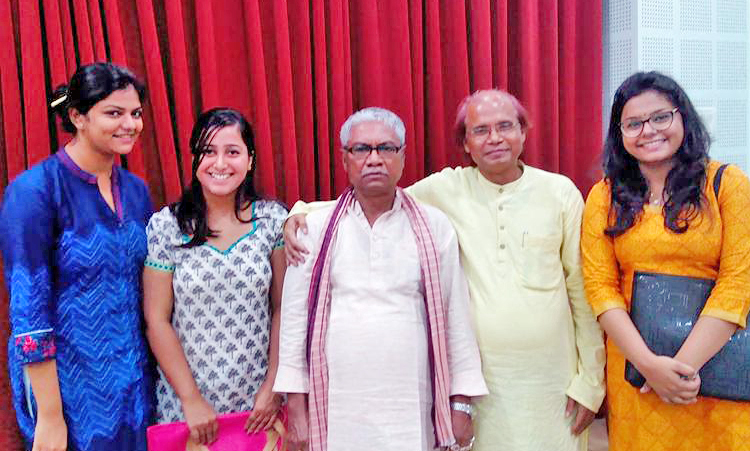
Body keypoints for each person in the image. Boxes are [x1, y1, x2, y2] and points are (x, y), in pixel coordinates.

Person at [284, 91, 606, 451]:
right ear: (466, 143)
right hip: (484, 388)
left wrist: (590, 383)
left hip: (551, 381)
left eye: (505, 126)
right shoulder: (446, 189)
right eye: (480, 130)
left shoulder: (560, 193)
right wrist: (300, 212)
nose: (495, 138)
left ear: (523, 132)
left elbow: (584, 292)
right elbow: (377, 191)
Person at [273, 107, 488, 451]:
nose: (374, 159)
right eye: (361, 149)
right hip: (337, 409)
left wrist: (461, 406)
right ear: (345, 160)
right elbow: (294, 323)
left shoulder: (434, 226)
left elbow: (456, 318)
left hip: (412, 408)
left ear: (402, 158)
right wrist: (296, 409)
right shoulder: (313, 229)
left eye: (386, 148)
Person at [581, 71, 750, 450]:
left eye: (660, 117)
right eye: (634, 124)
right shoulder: (604, 197)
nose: (649, 131)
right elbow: (600, 288)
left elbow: (738, 282)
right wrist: (650, 367)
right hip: (637, 373)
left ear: (682, 117)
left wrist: (680, 370)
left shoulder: (727, 183)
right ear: (620, 134)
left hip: (717, 366)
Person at [0, 62, 153, 451]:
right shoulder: (34, 192)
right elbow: (28, 315)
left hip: (135, 385)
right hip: (67, 392)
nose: (130, 125)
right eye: (114, 113)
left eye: (135, 113)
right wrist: (51, 415)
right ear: (77, 117)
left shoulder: (137, 192)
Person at [142, 108, 287, 445]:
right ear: (195, 159)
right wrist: (191, 399)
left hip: (258, 406)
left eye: (232, 152)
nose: (219, 163)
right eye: (208, 151)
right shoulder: (167, 227)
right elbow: (156, 320)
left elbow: (283, 307)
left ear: (250, 160)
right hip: (187, 408)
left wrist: (274, 384)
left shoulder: (272, 221)